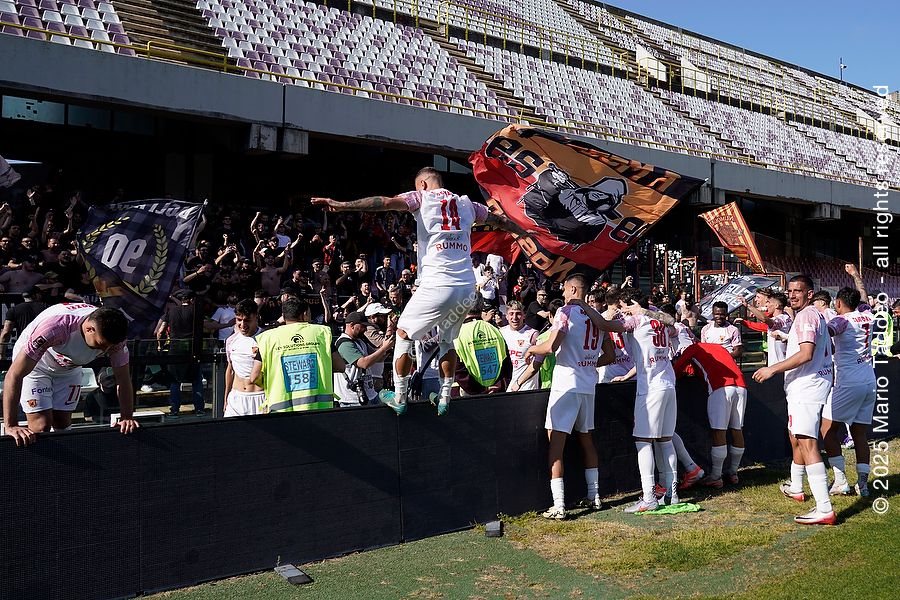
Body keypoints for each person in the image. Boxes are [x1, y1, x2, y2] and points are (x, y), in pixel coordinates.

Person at [312, 167, 527, 416]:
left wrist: (342, 205)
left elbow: (386, 203)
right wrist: (524, 232)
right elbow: (498, 220)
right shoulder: (467, 204)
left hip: (438, 284)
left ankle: (399, 397)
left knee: (403, 334)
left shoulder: (421, 197)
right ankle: (444, 398)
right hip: (467, 289)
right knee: (447, 340)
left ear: (422, 184)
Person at [753, 275, 835, 525]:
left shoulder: (807, 315)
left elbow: (806, 353)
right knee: (799, 438)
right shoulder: (813, 314)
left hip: (807, 387)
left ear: (810, 294)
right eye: (789, 291)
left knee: (808, 443)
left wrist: (772, 369)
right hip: (810, 384)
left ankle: (824, 508)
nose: (792, 295)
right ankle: (799, 488)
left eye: (798, 291)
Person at [523, 274, 605, 519]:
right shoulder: (596, 315)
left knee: (556, 445)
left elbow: (550, 346)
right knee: (587, 441)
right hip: (588, 385)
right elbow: (610, 356)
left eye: (565, 289)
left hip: (566, 385)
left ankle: (558, 505)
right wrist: (587, 364)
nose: (563, 293)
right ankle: (594, 496)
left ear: (573, 289)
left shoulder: (565, 312)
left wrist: (531, 348)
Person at [591, 288, 678, 512]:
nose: (621, 311)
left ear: (631, 304)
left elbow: (604, 325)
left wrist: (586, 308)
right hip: (668, 383)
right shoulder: (657, 317)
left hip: (650, 387)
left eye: (622, 307)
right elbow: (674, 327)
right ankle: (672, 493)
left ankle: (649, 497)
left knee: (643, 441)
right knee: (666, 440)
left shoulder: (636, 320)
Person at [3, 304, 138, 446]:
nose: (106, 350)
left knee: (62, 424)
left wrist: (126, 417)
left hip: (69, 367)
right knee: (41, 425)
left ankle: (64, 460)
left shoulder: (115, 340)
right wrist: (11, 425)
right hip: (36, 366)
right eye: (101, 344)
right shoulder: (56, 328)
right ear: (89, 329)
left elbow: (123, 379)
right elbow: (14, 375)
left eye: (109, 347)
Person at [820, 265, 875, 497]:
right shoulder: (867, 314)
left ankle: (841, 480)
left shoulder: (842, 321)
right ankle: (863, 484)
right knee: (860, 434)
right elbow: (863, 295)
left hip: (848, 382)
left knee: (827, 430)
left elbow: (825, 332)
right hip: (869, 380)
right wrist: (855, 275)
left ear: (839, 303)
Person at [673, 343, 748, 488]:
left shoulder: (692, 348)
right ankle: (733, 473)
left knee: (719, 431)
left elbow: (677, 369)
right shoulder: (719, 347)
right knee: (737, 429)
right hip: (741, 386)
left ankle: (715, 476)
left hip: (720, 387)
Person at [251, 298, 346, 412]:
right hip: (318, 410)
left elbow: (254, 376)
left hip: (280, 411)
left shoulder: (268, 338)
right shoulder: (320, 333)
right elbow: (340, 366)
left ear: (283, 316)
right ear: (305, 314)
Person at [157, 290, 205, 417]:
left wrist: (160, 345)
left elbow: (160, 331)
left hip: (175, 348)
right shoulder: (196, 311)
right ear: (192, 300)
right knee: (196, 380)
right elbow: (205, 327)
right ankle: (199, 409)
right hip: (192, 348)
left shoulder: (171, 311)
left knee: (174, 380)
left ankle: (174, 409)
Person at [333, 311, 395, 407]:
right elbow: (363, 363)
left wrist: (388, 347)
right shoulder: (344, 343)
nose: (365, 329)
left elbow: (377, 357)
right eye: (363, 326)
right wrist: (384, 348)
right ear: (352, 325)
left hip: (370, 394)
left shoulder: (359, 341)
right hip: (352, 399)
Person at [454, 301, 510, 396]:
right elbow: (506, 363)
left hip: (471, 393)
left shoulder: (457, 333)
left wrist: (481, 390)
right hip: (496, 392)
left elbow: (459, 370)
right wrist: (499, 386)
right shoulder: (494, 330)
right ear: (481, 307)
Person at [223, 299, 266, 417]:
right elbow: (230, 369)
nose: (242, 325)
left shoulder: (266, 339)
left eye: (247, 320)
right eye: (239, 320)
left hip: (260, 399)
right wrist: (226, 398)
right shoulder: (231, 340)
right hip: (236, 399)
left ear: (256, 317)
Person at [738, 291, 792, 366]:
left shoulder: (780, 320)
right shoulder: (785, 315)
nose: (766, 305)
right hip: (780, 362)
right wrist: (759, 309)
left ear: (776, 305)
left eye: (768, 302)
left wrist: (748, 305)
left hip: (779, 363)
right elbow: (766, 309)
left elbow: (764, 319)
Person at [502, 301, 540, 392]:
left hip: (527, 387)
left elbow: (538, 361)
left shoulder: (532, 334)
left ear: (524, 315)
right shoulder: (501, 332)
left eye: (518, 314)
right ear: (506, 316)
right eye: (511, 314)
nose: (514, 317)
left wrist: (520, 382)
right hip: (508, 386)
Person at [362, 302, 395, 391]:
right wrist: (390, 327)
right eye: (382, 316)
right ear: (372, 317)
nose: (385, 318)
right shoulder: (368, 328)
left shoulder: (375, 328)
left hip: (377, 374)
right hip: (372, 376)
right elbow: (385, 344)